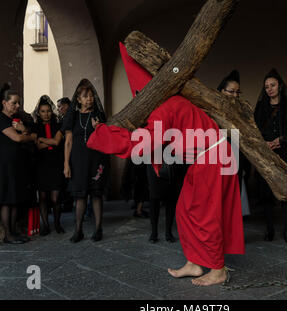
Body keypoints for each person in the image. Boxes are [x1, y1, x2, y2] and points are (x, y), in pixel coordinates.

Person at [87, 43, 245, 286]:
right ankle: (194, 262)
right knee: (184, 208)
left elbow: (138, 146)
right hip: (208, 158)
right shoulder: (169, 102)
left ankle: (218, 269)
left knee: (205, 214)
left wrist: (101, 134)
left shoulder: (162, 109)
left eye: (138, 95)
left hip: (213, 159)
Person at [254, 69, 287, 244]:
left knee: (286, 192)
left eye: (272, 85)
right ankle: (269, 230)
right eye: (266, 86)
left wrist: (281, 140)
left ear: (280, 86)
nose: (269, 89)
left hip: (286, 153)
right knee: (267, 192)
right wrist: (264, 143)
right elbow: (254, 129)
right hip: (267, 154)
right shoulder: (261, 107)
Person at [0, 86, 36, 244]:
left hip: (17, 163)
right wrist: (27, 134)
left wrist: (25, 132)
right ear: (4, 102)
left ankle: (14, 232)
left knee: (16, 198)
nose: (17, 106)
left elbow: (26, 134)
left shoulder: (14, 119)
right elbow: (18, 138)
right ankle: (8, 234)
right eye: (14, 103)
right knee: (7, 199)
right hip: (5, 164)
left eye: (18, 103)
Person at [62, 79, 109, 243]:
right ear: (79, 99)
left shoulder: (98, 115)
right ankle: (78, 230)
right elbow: (68, 141)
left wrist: (99, 129)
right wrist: (66, 164)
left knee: (96, 195)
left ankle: (98, 229)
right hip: (78, 161)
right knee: (80, 196)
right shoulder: (73, 117)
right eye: (85, 96)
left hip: (96, 159)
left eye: (90, 96)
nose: (89, 99)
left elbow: (106, 139)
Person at [217, 70, 252, 218]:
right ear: (221, 91)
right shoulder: (212, 109)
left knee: (234, 194)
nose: (235, 96)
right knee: (219, 195)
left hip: (236, 156)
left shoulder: (241, 110)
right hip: (217, 157)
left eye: (237, 92)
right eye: (231, 92)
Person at [33, 95, 65, 235]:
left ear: (52, 111)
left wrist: (42, 140)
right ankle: (45, 225)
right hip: (41, 165)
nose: (46, 114)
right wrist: (49, 141)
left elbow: (57, 142)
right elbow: (37, 147)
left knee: (55, 198)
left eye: (48, 111)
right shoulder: (35, 127)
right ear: (38, 113)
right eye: (43, 111)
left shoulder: (58, 125)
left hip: (56, 164)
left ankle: (57, 224)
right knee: (43, 197)